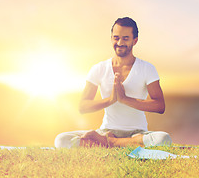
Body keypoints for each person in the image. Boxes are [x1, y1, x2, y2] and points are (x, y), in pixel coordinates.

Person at [54, 17, 172, 148]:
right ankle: (122, 143)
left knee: (163, 139)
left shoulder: (147, 68)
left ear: (135, 41)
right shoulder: (99, 68)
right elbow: (83, 106)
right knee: (61, 140)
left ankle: (108, 143)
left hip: (138, 133)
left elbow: (159, 106)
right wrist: (111, 100)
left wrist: (124, 99)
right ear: (111, 38)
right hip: (107, 131)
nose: (120, 42)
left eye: (125, 38)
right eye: (116, 38)